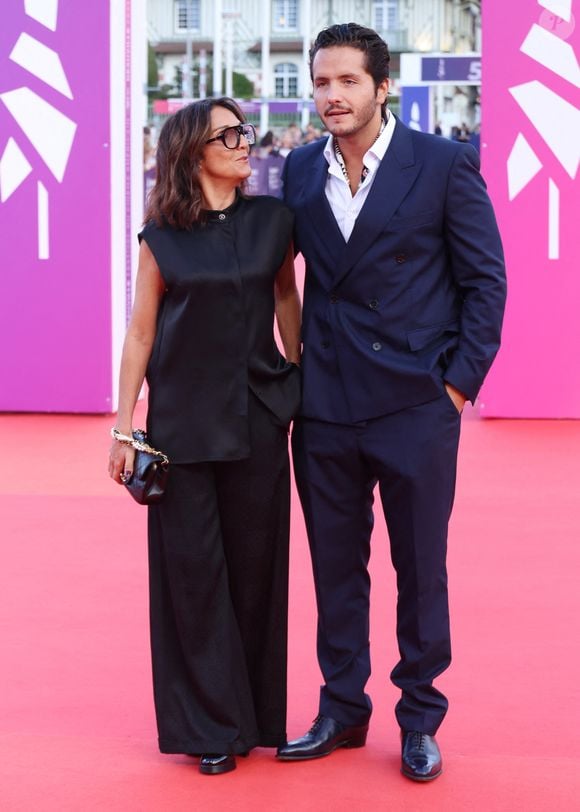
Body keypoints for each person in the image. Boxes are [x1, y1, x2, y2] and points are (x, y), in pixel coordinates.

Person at [276, 23, 506, 781]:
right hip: (327, 407)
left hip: (415, 405)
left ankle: (419, 718)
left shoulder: (442, 164)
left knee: (420, 567)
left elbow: (485, 283)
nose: (331, 96)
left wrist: (456, 385)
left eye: (346, 82)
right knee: (335, 569)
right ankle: (342, 708)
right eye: (320, 83)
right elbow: (280, 277)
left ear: (382, 88)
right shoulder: (301, 171)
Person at [108, 97, 301, 776]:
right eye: (230, 135)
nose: (246, 143)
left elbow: (286, 298)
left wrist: (296, 379)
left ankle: (256, 717)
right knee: (193, 577)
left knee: (256, 572)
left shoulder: (275, 221)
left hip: (257, 417)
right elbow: (140, 333)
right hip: (181, 429)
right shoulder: (159, 237)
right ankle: (211, 727)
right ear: (195, 152)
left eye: (244, 131)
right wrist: (125, 425)